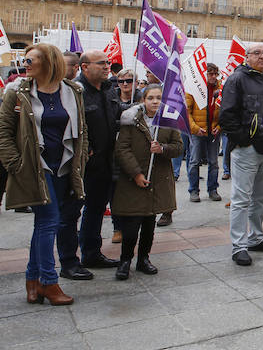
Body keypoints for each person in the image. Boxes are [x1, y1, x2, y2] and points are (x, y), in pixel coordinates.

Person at [0, 43, 87, 306]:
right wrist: (15, 164)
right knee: (50, 221)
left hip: (64, 165)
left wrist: (82, 157)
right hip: (34, 167)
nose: (25, 65)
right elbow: (3, 132)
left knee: (45, 224)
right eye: (25, 61)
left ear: (48, 63)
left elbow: (81, 127)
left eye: (30, 61)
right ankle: (49, 282)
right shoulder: (17, 92)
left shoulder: (73, 91)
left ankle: (32, 280)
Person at [219, 44, 263, 266]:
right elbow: (226, 115)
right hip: (247, 149)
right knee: (241, 199)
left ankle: (256, 237)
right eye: (256, 53)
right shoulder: (236, 79)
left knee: (261, 197)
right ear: (246, 57)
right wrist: (243, 140)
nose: (262, 56)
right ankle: (239, 246)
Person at [111, 85, 182, 280]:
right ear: (144, 100)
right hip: (134, 180)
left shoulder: (168, 121)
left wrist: (163, 149)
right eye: (151, 98)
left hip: (156, 180)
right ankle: (125, 260)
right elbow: (122, 149)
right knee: (132, 224)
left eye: (159, 98)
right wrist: (136, 173)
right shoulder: (131, 120)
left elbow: (178, 147)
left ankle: (143, 258)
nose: (155, 101)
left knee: (149, 223)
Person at [74, 49, 122, 273]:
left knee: (96, 209)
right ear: (85, 67)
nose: (106, 66)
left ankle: (92, 254)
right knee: (73, 213)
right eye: (101, 63)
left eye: (108, 63)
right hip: (83, 165)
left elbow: (116, 116)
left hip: (107, 163)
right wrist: (88, 151)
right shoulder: (76, 91)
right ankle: (70, 259)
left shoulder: (109, 89)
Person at [186, 63, 222, 203]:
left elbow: (225, 112)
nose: (213, 77)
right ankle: (193, 190)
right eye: (210, 74)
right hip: (198, 132)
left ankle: (213, 189)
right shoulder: (193, 89)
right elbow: (187, 112)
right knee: (194, 161)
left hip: (213, 132)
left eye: (215, 74)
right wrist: (195, 128)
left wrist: (219, 127)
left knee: (213, 162)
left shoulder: (221, 89)